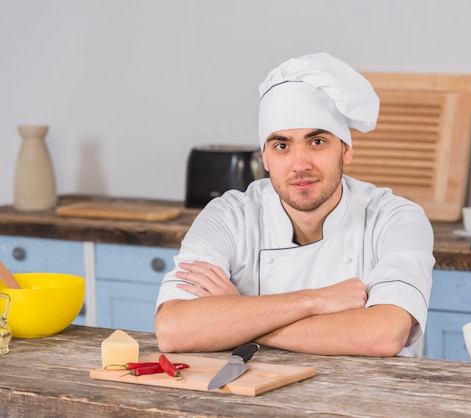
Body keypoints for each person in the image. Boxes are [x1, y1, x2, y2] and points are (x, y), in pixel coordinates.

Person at [155, 52, 434, 357]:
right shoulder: (229, 216)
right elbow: (173, 330)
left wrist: (239, 315)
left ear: (346, 149)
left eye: (316, 142)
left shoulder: (394, 218)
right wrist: (314, 301)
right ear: (265, 158)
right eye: (282, 146)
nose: (300, 164)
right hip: (254, 394)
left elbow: (383, 335)